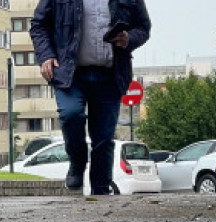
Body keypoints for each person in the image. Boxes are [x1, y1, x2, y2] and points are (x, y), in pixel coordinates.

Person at [30, 0, 151, 195]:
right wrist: (46, 55)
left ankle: (101, 191)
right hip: (70, 74)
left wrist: (129, 38)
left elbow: (144, 27)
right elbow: (38, 25)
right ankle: (77, 162)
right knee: (71, 115)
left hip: (110, 75)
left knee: (103, 138)